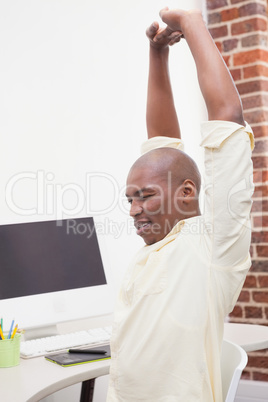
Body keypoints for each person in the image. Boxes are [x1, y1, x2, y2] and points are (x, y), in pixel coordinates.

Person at [107, 8, 254, 402]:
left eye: (147, 196)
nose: (135, 209)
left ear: (188, 193)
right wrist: (158, 55)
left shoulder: (213, 248)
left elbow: (228, 118)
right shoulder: (157, 247)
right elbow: (161, 145)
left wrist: (191, 25)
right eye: (131, 199)